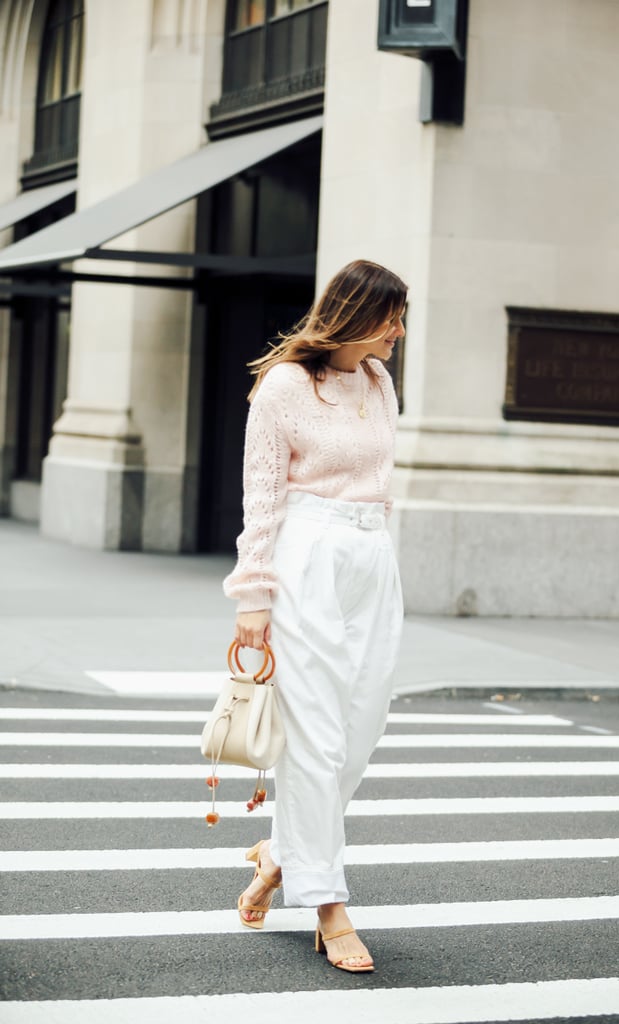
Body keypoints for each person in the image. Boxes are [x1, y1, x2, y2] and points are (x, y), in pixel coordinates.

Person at [223, 258, 407, 973]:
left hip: (370, 557)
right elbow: (261, 496)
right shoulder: (285, 386)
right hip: (306, 557)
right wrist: (253, 598)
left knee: (359, 733)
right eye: (389, 316)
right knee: (316, 742)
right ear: (355, 312)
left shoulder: (378, 382)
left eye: (400, 318)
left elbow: (376, 482)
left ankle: (282, 854)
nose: (397, 331)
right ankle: (329, 905)